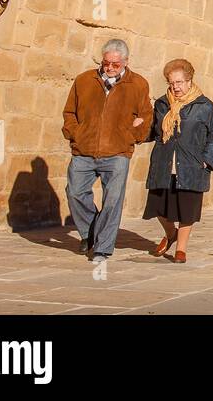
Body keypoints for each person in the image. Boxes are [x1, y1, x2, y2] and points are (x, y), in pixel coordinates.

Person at [62, 38, 153, 262]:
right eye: (106, 63)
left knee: (112, 200)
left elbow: (146, 116)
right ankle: (90, 232)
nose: (110, 68)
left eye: (115, 64)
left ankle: (102, 247)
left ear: (125, 62)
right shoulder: (84, 80)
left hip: (117, 152)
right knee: (74, 192)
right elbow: (69, 113)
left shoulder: (138, 84)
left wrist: (132, 136)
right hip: (84, 149)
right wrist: (75, 134)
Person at [143, 59, 213, 263]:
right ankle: (171, 234)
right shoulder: (162, 104)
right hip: (164, 162)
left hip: (192, 165)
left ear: (189, 81)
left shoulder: (204, 105)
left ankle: (181, 249)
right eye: (171, 83)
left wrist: (207, 159)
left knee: (187, 209)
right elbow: (152, 131)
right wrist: (134, 128)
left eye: (179, 82)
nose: (175, 87)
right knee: (157, 207)